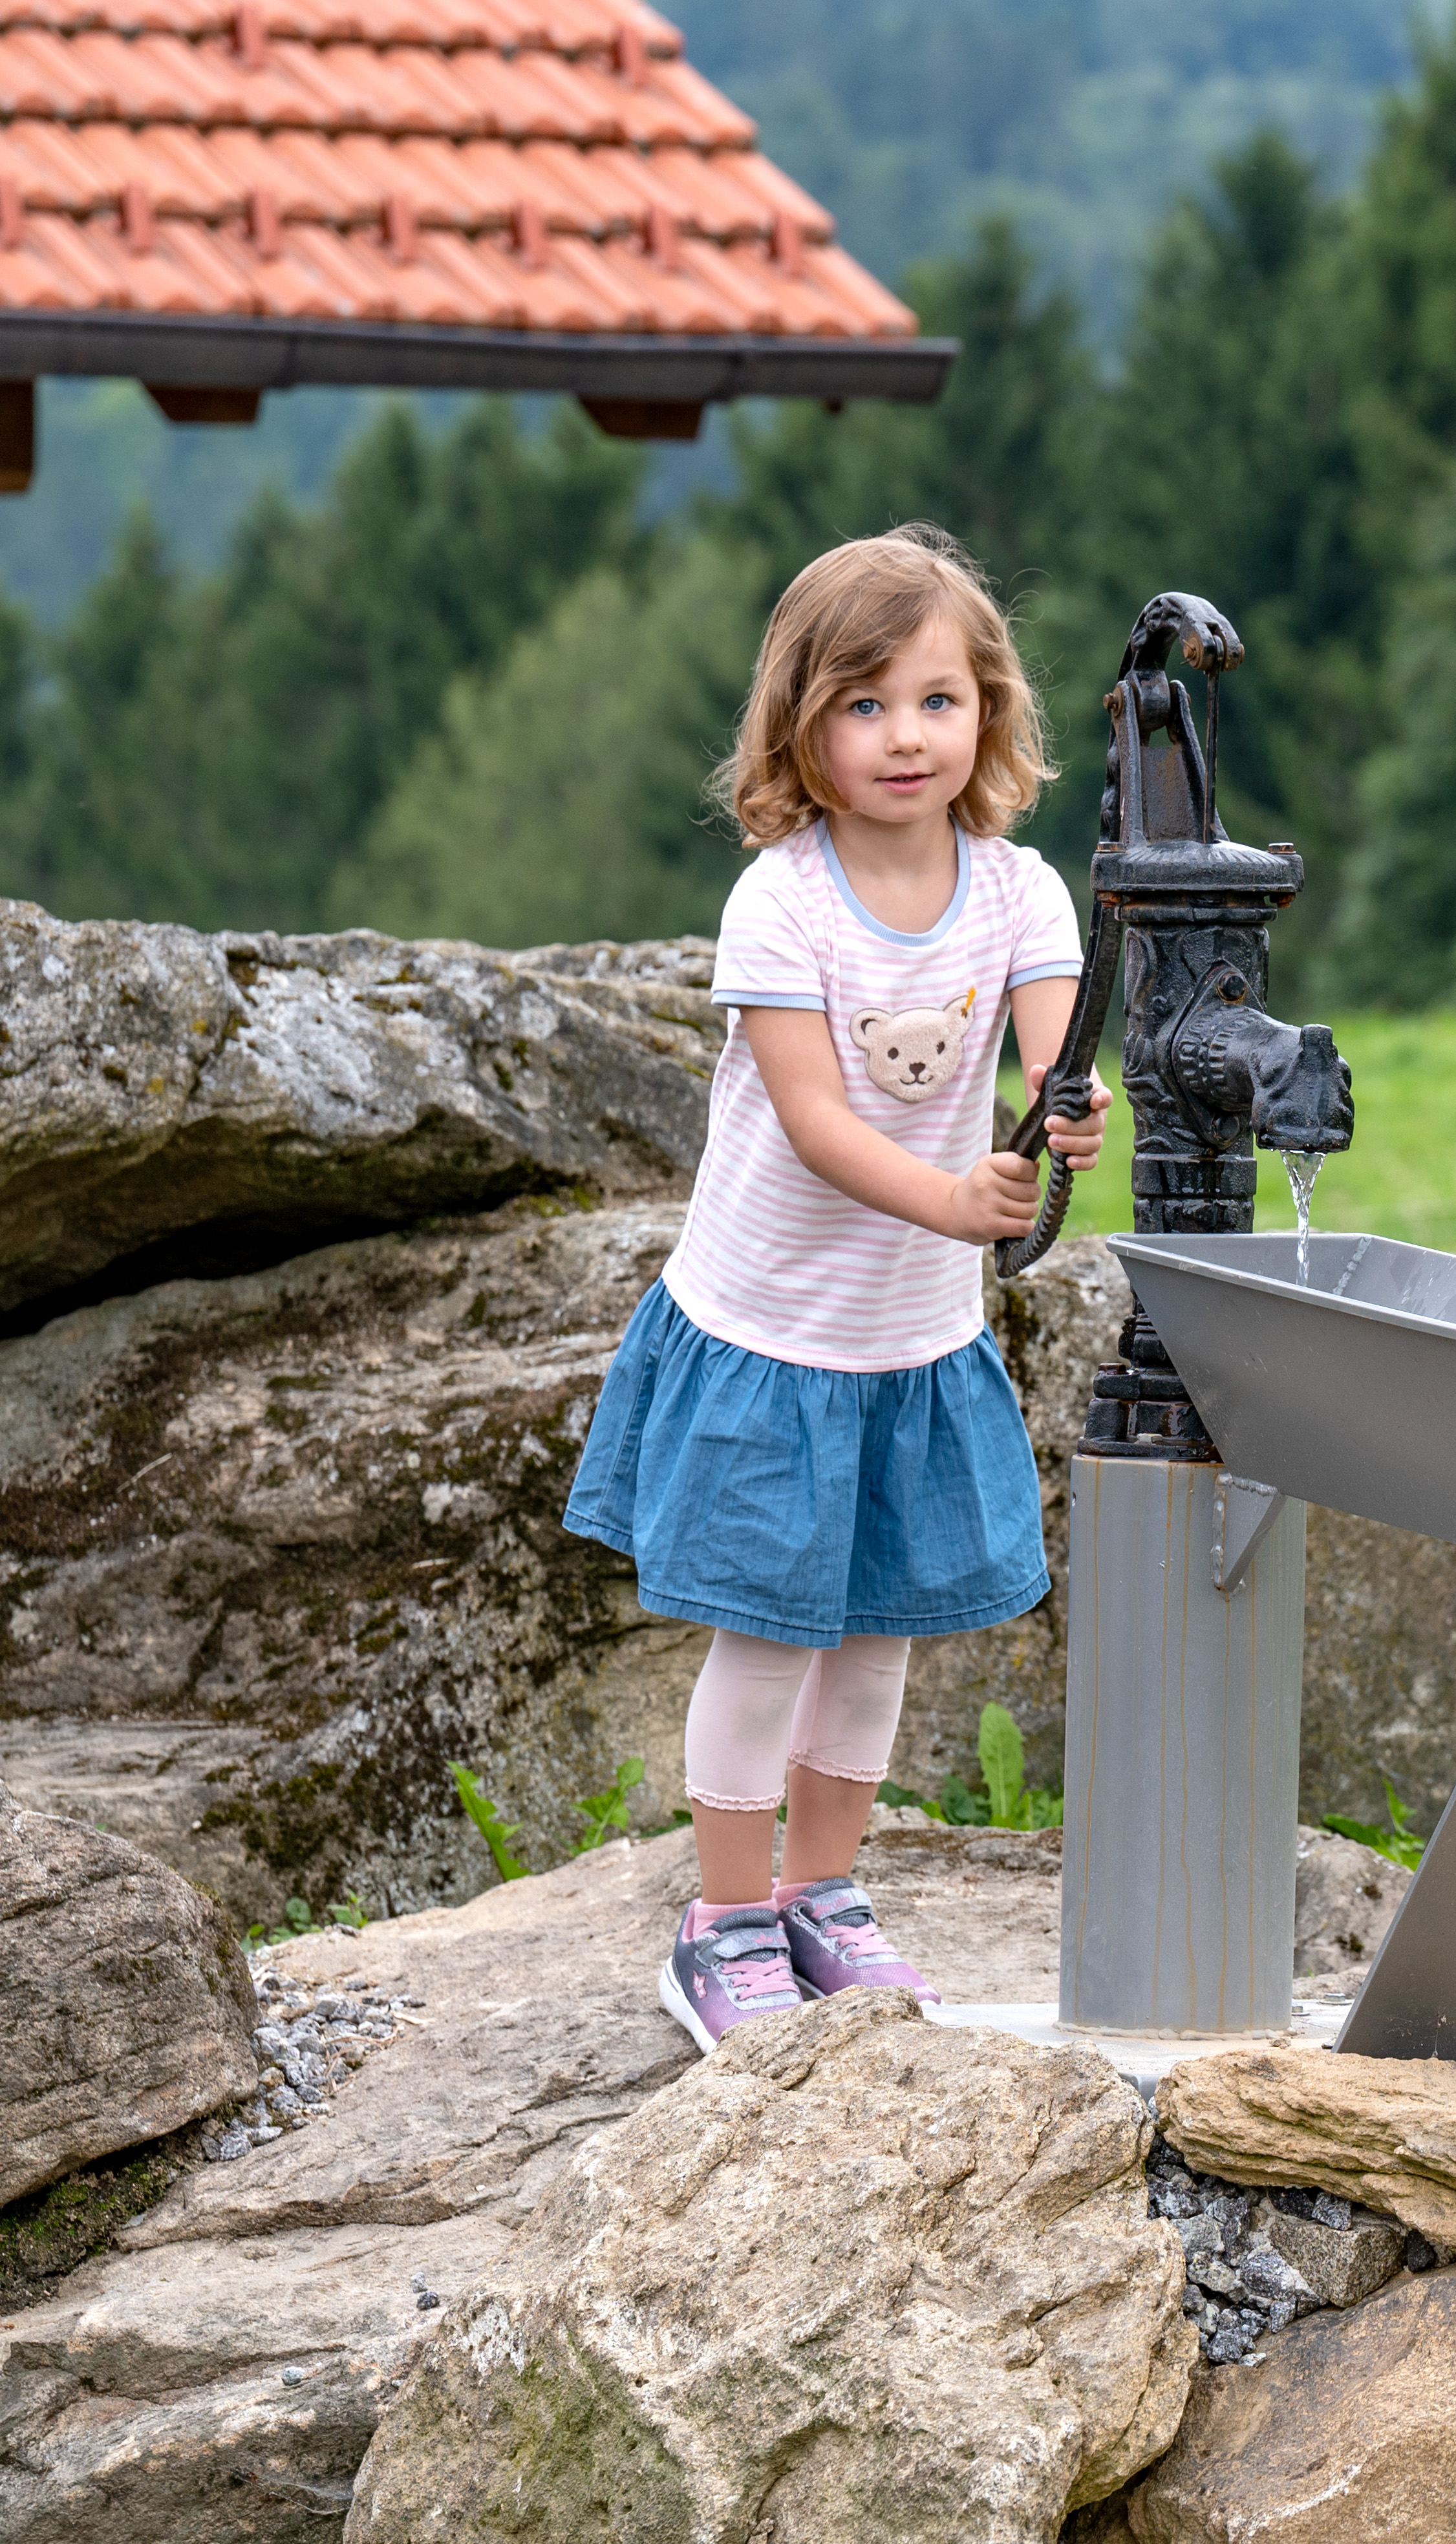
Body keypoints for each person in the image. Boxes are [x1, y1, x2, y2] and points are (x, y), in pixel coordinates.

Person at [564, 525, 1106, 2053]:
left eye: (937, 700)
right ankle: (721, 1920)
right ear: (799, 723)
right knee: (770, 1638)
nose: (905, 736)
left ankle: (823, 1891)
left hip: (913, 1338)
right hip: (769, 1336)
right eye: (863, 705)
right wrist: (956, 1199)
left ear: (989, 711)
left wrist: (1072, 1109)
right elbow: (814, 1118)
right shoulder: (780, 906)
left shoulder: (1018, 895)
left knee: (878, 1639)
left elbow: (1055, 1056)